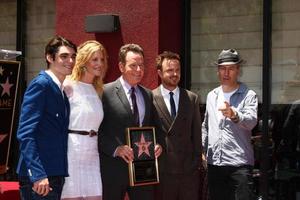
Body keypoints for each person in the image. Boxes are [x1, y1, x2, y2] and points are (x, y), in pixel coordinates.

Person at [98, 43, 163, 200]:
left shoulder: (147, 94)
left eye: (141, 65)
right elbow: (96, 131)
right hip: (114, 169)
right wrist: (116, 149)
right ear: (121, 66)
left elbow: (154, 127)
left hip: (143, 170)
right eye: (133, 65)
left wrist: (158, 145)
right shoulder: (104, 92)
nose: (139, 70)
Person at [16, 35, 77, 200]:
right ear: (50, 57)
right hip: (40, 178)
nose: (70, 61)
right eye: (64, 56)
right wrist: (37, 174)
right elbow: (25, 133)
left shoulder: (59, 90)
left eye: (73, 56)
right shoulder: (41, 85)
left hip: (54, 174)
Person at [202, 49, 258, 200]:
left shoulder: (248, 95)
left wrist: (235, 115)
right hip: (215, 164)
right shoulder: (211, 96)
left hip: (239, 165)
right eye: (222, 68)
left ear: (238, 70)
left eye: (231, 68)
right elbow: (206, 126)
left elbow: (251, 121)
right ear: (218, 71)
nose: (226, 73)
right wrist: (203, 150)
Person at [61, 40, 108, 200]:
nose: (99, 64)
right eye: (94, 59)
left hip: (92, 152)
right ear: (83, 61)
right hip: (71, 151)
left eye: (102, 60)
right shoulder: (68, 85)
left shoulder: (99, 90)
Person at [152, 51, 202, 200]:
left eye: (177, 70)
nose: (175, 74)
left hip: (188, 172)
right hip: (164, 171)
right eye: (170, 70)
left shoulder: (192, 98)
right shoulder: (150, 97)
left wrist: (196, 163)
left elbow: (197, 134)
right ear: (160, 73)